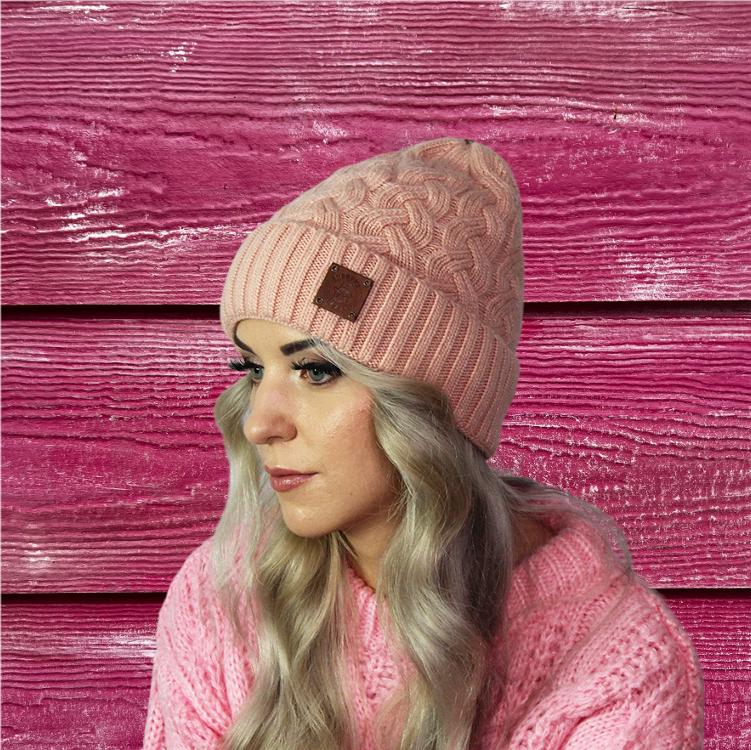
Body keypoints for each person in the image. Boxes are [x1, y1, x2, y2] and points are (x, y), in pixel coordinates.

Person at [142, 137, 704, 749]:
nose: (259, 425)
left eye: (317, 371)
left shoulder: (619, 666)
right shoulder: (222, 599)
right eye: (253, 369)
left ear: (435, 407)